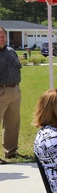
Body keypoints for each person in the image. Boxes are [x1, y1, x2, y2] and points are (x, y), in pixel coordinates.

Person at [0, 25, 23, 161]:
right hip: (0, 90)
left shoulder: (11, 51)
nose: (1, 39)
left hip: (15, 90)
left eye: (3, 36)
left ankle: (11, 151)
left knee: (13, 123)